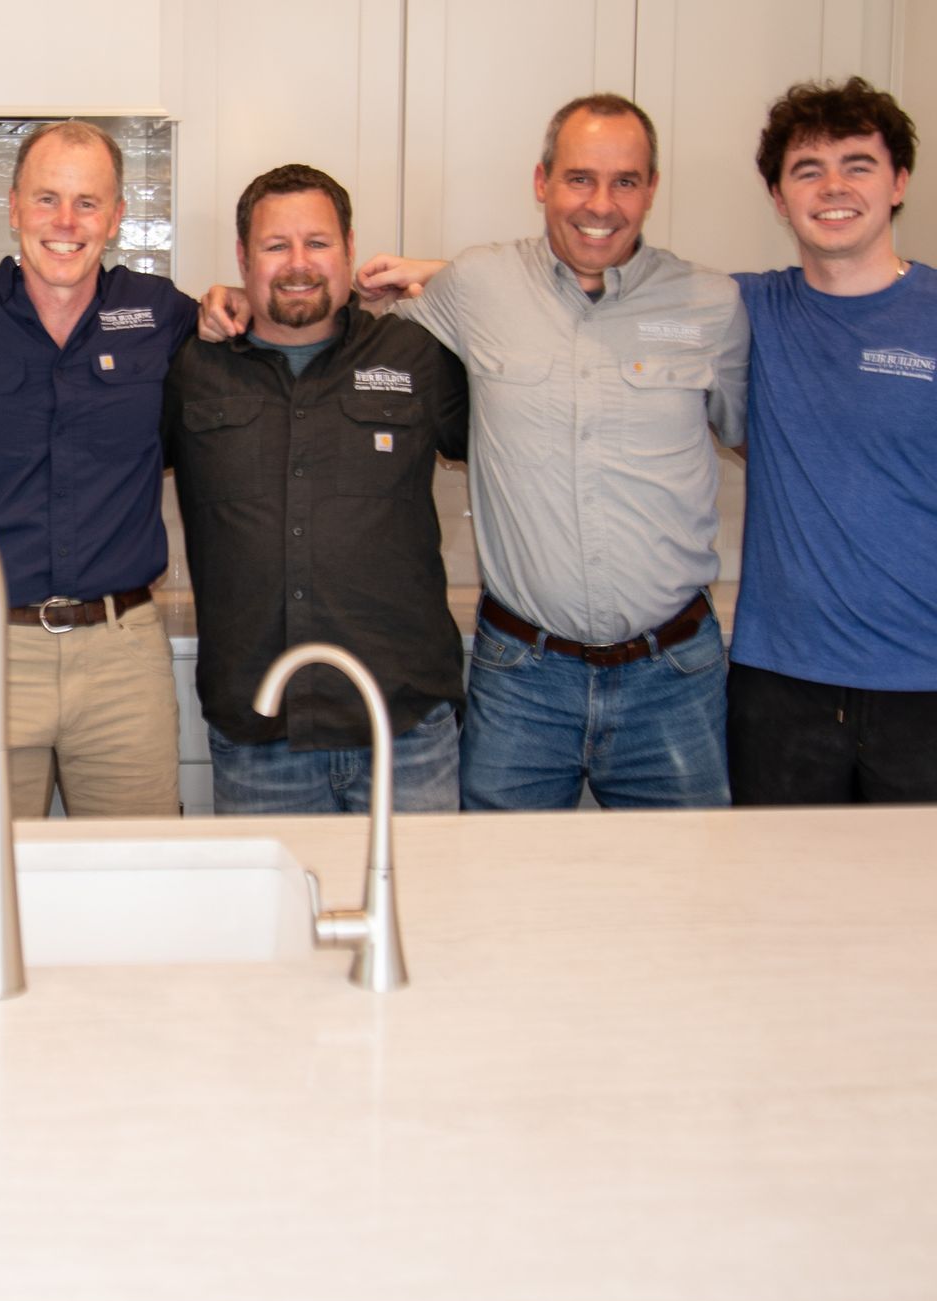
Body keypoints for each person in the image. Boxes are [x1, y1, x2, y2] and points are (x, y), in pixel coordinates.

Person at [210, 95, 748, 811]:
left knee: (690, 898)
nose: (601, 203)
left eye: (626, 181)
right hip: (522, 673)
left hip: (674, 672)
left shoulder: (712, 303)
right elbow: (311, 311)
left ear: (652, 188)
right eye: (580, 178)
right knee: (494, 898)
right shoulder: (476, 284)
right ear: (541, 182)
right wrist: (232, 301)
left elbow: (760, 436)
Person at [0, 120, 197, 820]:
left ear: (117, 217)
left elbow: (258, 332)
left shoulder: (164, 314)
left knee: (135, 885)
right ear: (13, 208)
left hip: (122, 657)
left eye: (87, 202)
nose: (65, 223)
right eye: (46, 200)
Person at [164, 164, 469, 813]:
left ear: (351, 250)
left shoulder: (415, 354)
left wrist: (445, 278)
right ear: (244, 258)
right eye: (276, 246)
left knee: (420, 916)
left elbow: (527, 335)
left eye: (318, 243)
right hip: (259, 735)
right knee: (275, 918)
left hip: (405, 732)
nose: (298, 263)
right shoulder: (192, 365)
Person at [726, 77, 936, 806]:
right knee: (782, 913)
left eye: (859, 164)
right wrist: (435, 277)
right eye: (807, 170)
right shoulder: (745, 308)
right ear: (780, 199)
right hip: (780, 688)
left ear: (899, 182)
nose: (834, 187)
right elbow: (604, 291)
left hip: (924, 685)